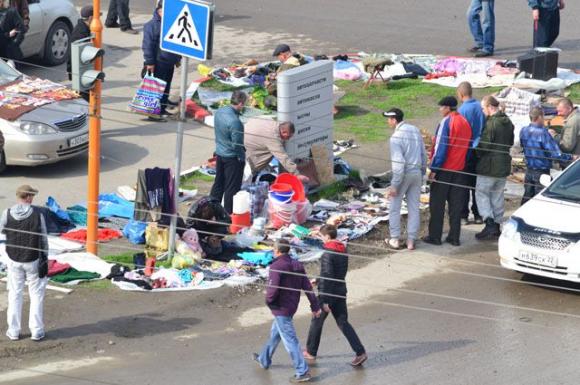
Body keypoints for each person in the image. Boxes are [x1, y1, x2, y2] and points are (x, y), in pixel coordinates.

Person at [253, 239, 321, 383]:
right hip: (291, 307)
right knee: (275, 334)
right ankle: (264, 359)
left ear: (277, 251)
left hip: (281, 308)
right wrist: (314, 306)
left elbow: (272, 290)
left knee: (290, 340)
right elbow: (308, 287)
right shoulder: (297, 264)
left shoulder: (276, 266)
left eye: (273, 249)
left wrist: (269, 302)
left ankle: (302, 371)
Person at [304, 225, 367, 367]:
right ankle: (360, 352)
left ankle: (310, 351)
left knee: (317, 321)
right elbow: (334, 273)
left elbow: (328, 275)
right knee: (343, 323)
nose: (320, 239)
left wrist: (325, 300)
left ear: (326, 237)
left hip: (329, 293)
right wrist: (318, 279)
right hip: (340, 290)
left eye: (321, 236)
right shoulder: (342, 249)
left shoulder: (327, 253)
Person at [0, 185, 48, 341]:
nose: (33, 199)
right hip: (33, 259)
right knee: (36, 294)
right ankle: (36, 330)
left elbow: (2, 233)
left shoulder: (6, 213)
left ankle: (13, 330)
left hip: (14, 259)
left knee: (14, 294)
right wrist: (44, 260)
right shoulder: (38, 215)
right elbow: (43, 239)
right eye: (32, 196)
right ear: (27, 197)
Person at [422, 96, 472, 247]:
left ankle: (435, 236)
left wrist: (434, 169)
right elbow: (468, 148)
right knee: (456, 206)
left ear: (448, 108)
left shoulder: (447, 122)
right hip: (460, 170)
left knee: (437, 204)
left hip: (444, 170)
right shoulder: (465, 122)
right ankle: (454, 237)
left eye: (441, 107)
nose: (439, 109)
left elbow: (440, 148)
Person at [383, 108, 427, 250]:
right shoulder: (414, 130)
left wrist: (394, 184)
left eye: (388, 119)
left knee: (394, 207)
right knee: (414, 208)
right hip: (417, 174)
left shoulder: (395, 138)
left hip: (403, 175)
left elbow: (399, 163)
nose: (387, 121)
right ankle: (411, 241)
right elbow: (423, 153)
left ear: (394, 120)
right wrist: (423, 171)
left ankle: (395, 239)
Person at [473, 96, 514, 240]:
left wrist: (475, 153)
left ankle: (489, 222)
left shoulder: (491, 123)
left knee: (481, 193)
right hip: (503, 164)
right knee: (497, 195)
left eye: (483, 108)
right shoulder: (508, 122)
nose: (483, 111)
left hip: (489, 165)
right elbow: (509, 142)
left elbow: (485, 145)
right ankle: (496, 225)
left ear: (490, 107)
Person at [520, 107, 572, 204]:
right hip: (541, 171)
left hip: (529, 169)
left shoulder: (524, 130)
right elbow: (556, 154)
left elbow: (523, 146)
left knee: (527, 197)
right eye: (543, 117)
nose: (544, 119)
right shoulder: (543, 133)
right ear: (539, 117)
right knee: (540, 199)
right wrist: (571, 157)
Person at [142, 0, 181, 121]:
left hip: (169, 62)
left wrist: (177, 58)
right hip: (158, 63)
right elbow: (147, 45)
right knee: (156, 89)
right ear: (159, 11)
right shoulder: (151, 25)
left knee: (166, 88)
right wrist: (149, 62)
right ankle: (153, 114)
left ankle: (162, 109)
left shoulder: (170, 23)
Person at [210, 90, 247, 215]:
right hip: (232, 158)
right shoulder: (235, 122)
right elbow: (237, 144)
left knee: (218, 183)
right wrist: (242, 158)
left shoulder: (220, 112)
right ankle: (227, 215)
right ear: (241, 103)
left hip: (220, 153)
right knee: (231, 188)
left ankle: (211, 209)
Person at [243, 119, 308, 183]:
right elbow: (283, 157)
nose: (288, 139)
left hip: (243, 140)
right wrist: (296, 174)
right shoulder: (273, 137)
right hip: (248, 156)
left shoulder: (272, 122)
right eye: (288, 137)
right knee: (246, 175)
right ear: (284, 132)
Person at [457, 81, 485, 225]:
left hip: (466, 151)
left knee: (463, 185)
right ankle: (478, 214)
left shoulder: (462, 111)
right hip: (479, 150)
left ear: (460, 94)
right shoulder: (480, 107)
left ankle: (463, 215)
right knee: (476, 185)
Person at [185, 196, 232, 260]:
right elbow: (189, 230)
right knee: (206, 251)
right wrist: (198, 241)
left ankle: (215, 240)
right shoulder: (193, 212)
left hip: (213, 226)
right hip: (199, 230)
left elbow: (228, 221)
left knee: (223, 230)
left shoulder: (216, 205)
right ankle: (207, 244)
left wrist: (215, 222)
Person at [67, 5, 94, 102]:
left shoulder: (83, 27)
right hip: (80, 72)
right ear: (91, 18)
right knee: (84, 98)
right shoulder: (81, 34)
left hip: (80, 71)